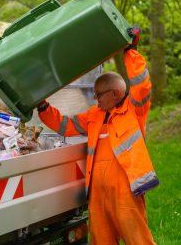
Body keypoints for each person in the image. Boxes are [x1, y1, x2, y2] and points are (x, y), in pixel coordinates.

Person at [37, 26, 159, 244]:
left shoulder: (133, 110)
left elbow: (141, 84)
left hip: (126, 192)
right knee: (101, 240)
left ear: (115, 94)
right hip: (97, 194)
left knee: (138, 239)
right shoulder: (95, 115)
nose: (95, 99)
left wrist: (131, 50)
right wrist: (44, 108)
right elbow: (66, 126)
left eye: (99, 94)